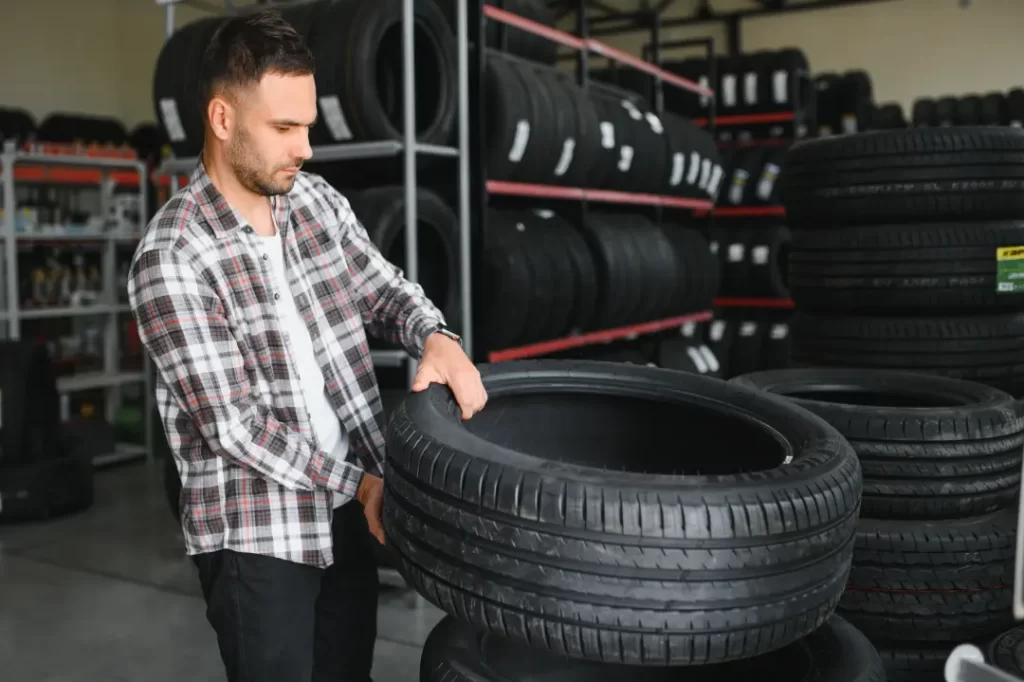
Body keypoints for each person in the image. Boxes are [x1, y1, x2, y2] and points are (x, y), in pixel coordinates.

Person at [127, 9, 486, 682]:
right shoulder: (171, 258)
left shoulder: (315, 203)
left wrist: (433, 334)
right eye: (285, 129)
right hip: (256, 537)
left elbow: (383, 289)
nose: (306, 148)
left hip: (345, 507)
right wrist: (361, 485)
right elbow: (236, 426)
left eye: (308, 127)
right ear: (223, 119)